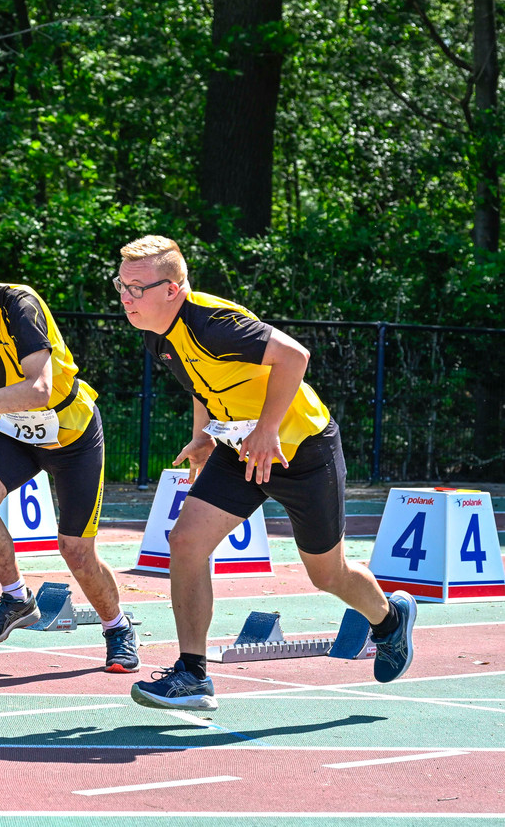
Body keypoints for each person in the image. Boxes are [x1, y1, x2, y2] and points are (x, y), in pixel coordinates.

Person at [116, 235, 416, 711]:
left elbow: (294, 356)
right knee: (186, 540)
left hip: (302, 450)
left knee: (327, 574)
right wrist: (203, 435)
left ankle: (389, 620)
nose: (125, 297)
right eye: (121, 285)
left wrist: (268, 428)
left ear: (172, 288)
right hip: (241, 450)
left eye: (135, 287)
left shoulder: (214, 322)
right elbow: (202, 383)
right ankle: (192, 674)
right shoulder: (157, 332)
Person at [0, 230, 139, 672]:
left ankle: (118, 628)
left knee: (75, 549)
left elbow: (39, 390)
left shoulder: (19, 304)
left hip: (71, 434)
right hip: (16, 432)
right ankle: (16, 599)